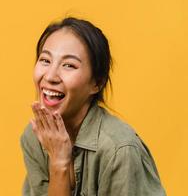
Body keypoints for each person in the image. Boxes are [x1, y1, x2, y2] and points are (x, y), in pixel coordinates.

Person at [20, 17, 166, 196]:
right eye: (45, 60)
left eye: (69, 65)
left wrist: (59, 163)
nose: (50, 76)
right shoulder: (35, 137)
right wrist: (59, 163)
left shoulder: (119, 150)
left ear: (96, 83)